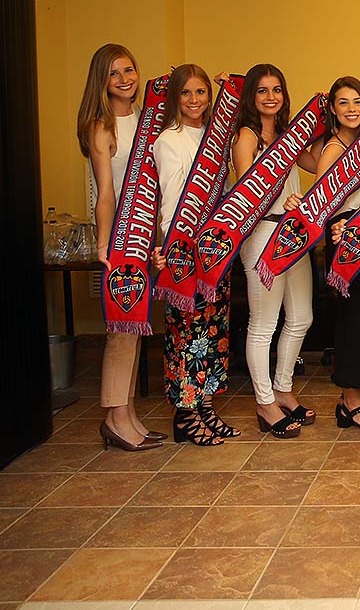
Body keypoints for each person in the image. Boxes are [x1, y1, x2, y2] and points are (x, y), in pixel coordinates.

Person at [76, 43, 163, 451]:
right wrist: (103, 244)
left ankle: (127, 415)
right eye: (115, 74)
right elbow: (106, 192)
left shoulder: (149, 121)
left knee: (135, 327)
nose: (125, 79)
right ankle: (114, 417)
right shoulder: (101, 125)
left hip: (148, 234)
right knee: (120, 331)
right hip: (123, 237)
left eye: (129, 70)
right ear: (102, 81)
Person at [297, 77, 360, 433]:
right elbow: (324, 200)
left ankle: (354, 398)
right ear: (332, 110)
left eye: (358, 103)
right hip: (350, 239)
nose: (352, 109)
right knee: (355, 321)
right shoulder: (333, 149)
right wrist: (337, 227)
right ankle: (351, 402)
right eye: (343, 103)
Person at [153, 65, 239, 446]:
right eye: (186, 93)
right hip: (186, 250)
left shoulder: (216, 137)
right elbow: (170, 200)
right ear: (175, 97)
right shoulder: (168, 140)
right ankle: (185, 414)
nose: (194, 100)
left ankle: (204, 406)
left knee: (214, 331)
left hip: (217, 248)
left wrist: (231, 85)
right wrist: (172, 248)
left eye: (201, 92)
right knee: (186, 333)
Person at [234, 63, 318, 439]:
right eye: (263, 90)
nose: (271, 97)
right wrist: (280, 204)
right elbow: (244, 192)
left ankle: (283, 388)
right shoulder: (247, 137)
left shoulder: (288, 137)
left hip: (293, 236)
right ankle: (264, 402)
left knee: (302, 317)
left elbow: (319, 165)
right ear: (252, 97)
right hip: (262, 236)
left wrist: (342, 134)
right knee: (263, 324)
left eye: (277, 90)